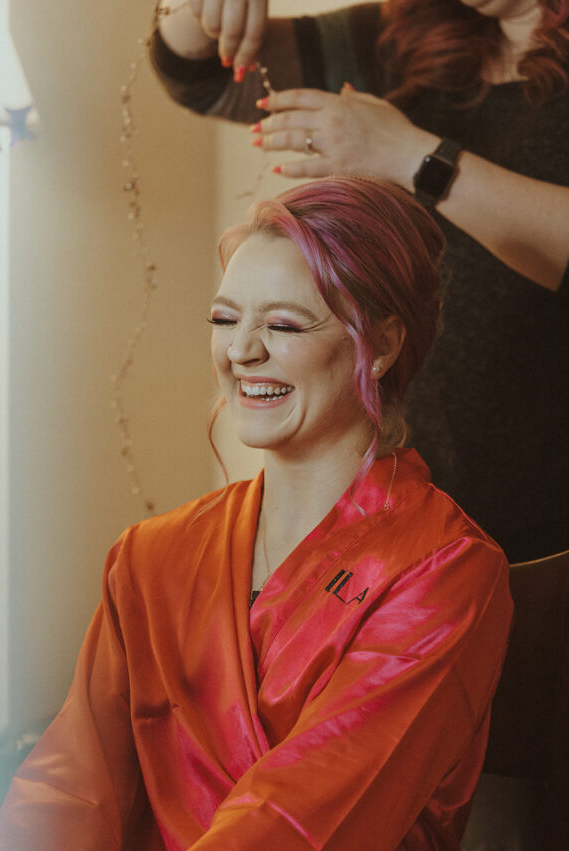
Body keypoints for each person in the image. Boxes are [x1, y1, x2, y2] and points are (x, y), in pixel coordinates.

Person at [0, 178, 512, 851]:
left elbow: (306, 809)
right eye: (224, 319)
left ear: (382, 343)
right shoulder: (152, 556)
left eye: (282, 326)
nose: (241, 351)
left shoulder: (446, 571)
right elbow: (75, 786)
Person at [151, 0, 569, 563]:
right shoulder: (404, 35)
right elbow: (202, 78)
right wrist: (194, 12)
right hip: (415, 514)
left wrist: (417, 158)